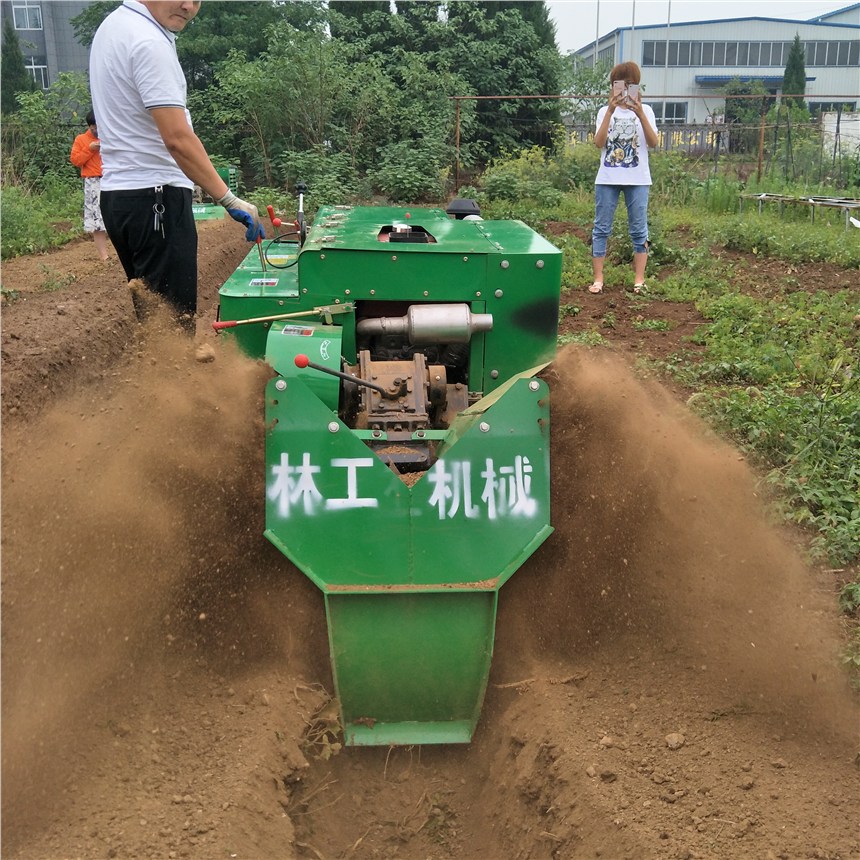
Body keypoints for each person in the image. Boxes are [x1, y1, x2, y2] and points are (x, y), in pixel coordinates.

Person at [89, 0, 263, 330]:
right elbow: (177, 139)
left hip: (120, 198)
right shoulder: (149, 41)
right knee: (173, 326)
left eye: (198, 0)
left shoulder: (113, 28)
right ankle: (174, 382)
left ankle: (160, 377)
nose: (188, 7)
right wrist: (228, 198)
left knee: (155, 320)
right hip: (157, 200)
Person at [588, 61, 658, 295]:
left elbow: (654, 142)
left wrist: (639, 112)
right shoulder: (603, 111)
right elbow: (598, 143)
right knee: (601, 228)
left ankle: (639, 279)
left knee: (639, 229)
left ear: (636, 86)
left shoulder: (646, 111)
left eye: (629, 84)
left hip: (638, 178)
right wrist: (609, 110)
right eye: (618, 84)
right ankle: (598, 279)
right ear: (613, 86)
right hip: (607, 177)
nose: (624, 89)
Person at [69, 110, 110, 262]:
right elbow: (76, 160)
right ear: (90, 126)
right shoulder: (81, 139)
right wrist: (90, 149)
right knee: (96, 219)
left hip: (110, 179)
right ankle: (104, 256)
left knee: (115, 214)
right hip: (93, 181)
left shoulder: (109, 136)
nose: (97, 130)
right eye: (94, 127)